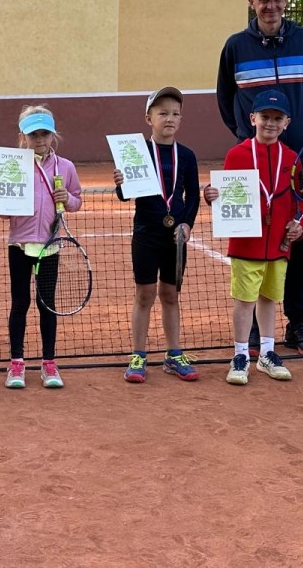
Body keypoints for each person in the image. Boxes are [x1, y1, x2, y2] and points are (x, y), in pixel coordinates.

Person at [215, 0, 303, 357]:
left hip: (300, 157)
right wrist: (245, 137)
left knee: (297, 237)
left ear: (285, 1)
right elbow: (225, 97)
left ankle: (296, 322)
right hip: (253, 162)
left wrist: (296, 134)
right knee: (253, 239)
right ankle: (256, 331)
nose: (271, 6)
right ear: (252, 3)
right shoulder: (236, 46)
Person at [205, 90, 303, 385]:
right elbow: (224, 194)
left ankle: (267, 353)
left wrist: (298, 224)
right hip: (246, 242)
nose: (270, 123)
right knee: (245, 300)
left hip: (278, 244)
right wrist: (211, 195)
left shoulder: (292, 158)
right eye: (264, 117)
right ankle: (240, 355)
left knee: (269, 299)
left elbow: (299, 201)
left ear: (286, 123)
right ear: (252, 119)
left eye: (277, 118)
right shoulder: (236, 154)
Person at [0, 105, 82, 390]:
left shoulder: (66, 167)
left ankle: (49, 363)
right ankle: (16, 363)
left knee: (46, 304)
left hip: (50, 245)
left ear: (53, 135)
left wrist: (67, 198)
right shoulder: (12, 166)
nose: (39, 139)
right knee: (20, 303)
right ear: (23, 137)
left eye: (44, 134)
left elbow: (76, 201)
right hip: (19, 245)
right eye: (33, 134)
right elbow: (3, 214)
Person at [113, 87, 201, 383]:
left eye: (175, 113)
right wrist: (121, 183)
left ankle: (174, 354)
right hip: (146, 234)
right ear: (148, 118)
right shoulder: (136, 153)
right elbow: (125, 196)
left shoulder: (186, 156)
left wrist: (186, 224)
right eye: (163, 113)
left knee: (171, 295)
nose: (170, 118)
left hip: (175, 238)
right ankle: (138, 356)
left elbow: (192, 197)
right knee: (145, 295)